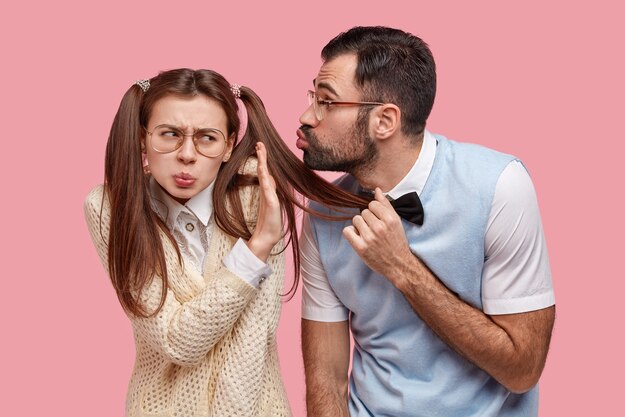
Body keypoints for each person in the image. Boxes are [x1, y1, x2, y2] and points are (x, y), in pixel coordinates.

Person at [298, 26, 556, 417]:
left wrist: (402, 267)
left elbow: (522, 370)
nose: (306, 116)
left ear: (384, 120)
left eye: (326, 102)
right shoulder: (323, 213)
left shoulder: (500, 186)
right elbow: (326, 379)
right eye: (312, 97)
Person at [84, 68, 366, 417]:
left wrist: (261, 241)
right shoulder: (110, 207)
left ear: (229, 145)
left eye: (207, 138)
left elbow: (250, 340)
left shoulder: (257, 195)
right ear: (143, 139)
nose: (187, 154)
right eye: (169, 134)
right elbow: (176, 341)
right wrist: (254, 249)